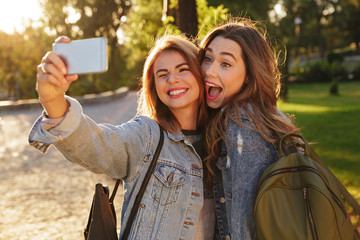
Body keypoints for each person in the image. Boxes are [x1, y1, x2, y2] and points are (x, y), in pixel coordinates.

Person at [29, 35, 216, 239]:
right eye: (162, 74)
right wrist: (53, 100)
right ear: (154, 87)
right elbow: (97, 145)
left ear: (200, 74)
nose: (172, 79)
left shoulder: (224, 139)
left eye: (183, 69)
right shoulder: (146, 136)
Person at [199, 19, 300, 239]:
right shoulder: (267, 114)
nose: (209, 71)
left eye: (225, 64)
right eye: (207, 59)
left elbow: (241, 224)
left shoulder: (242, 125)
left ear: (249, 76)